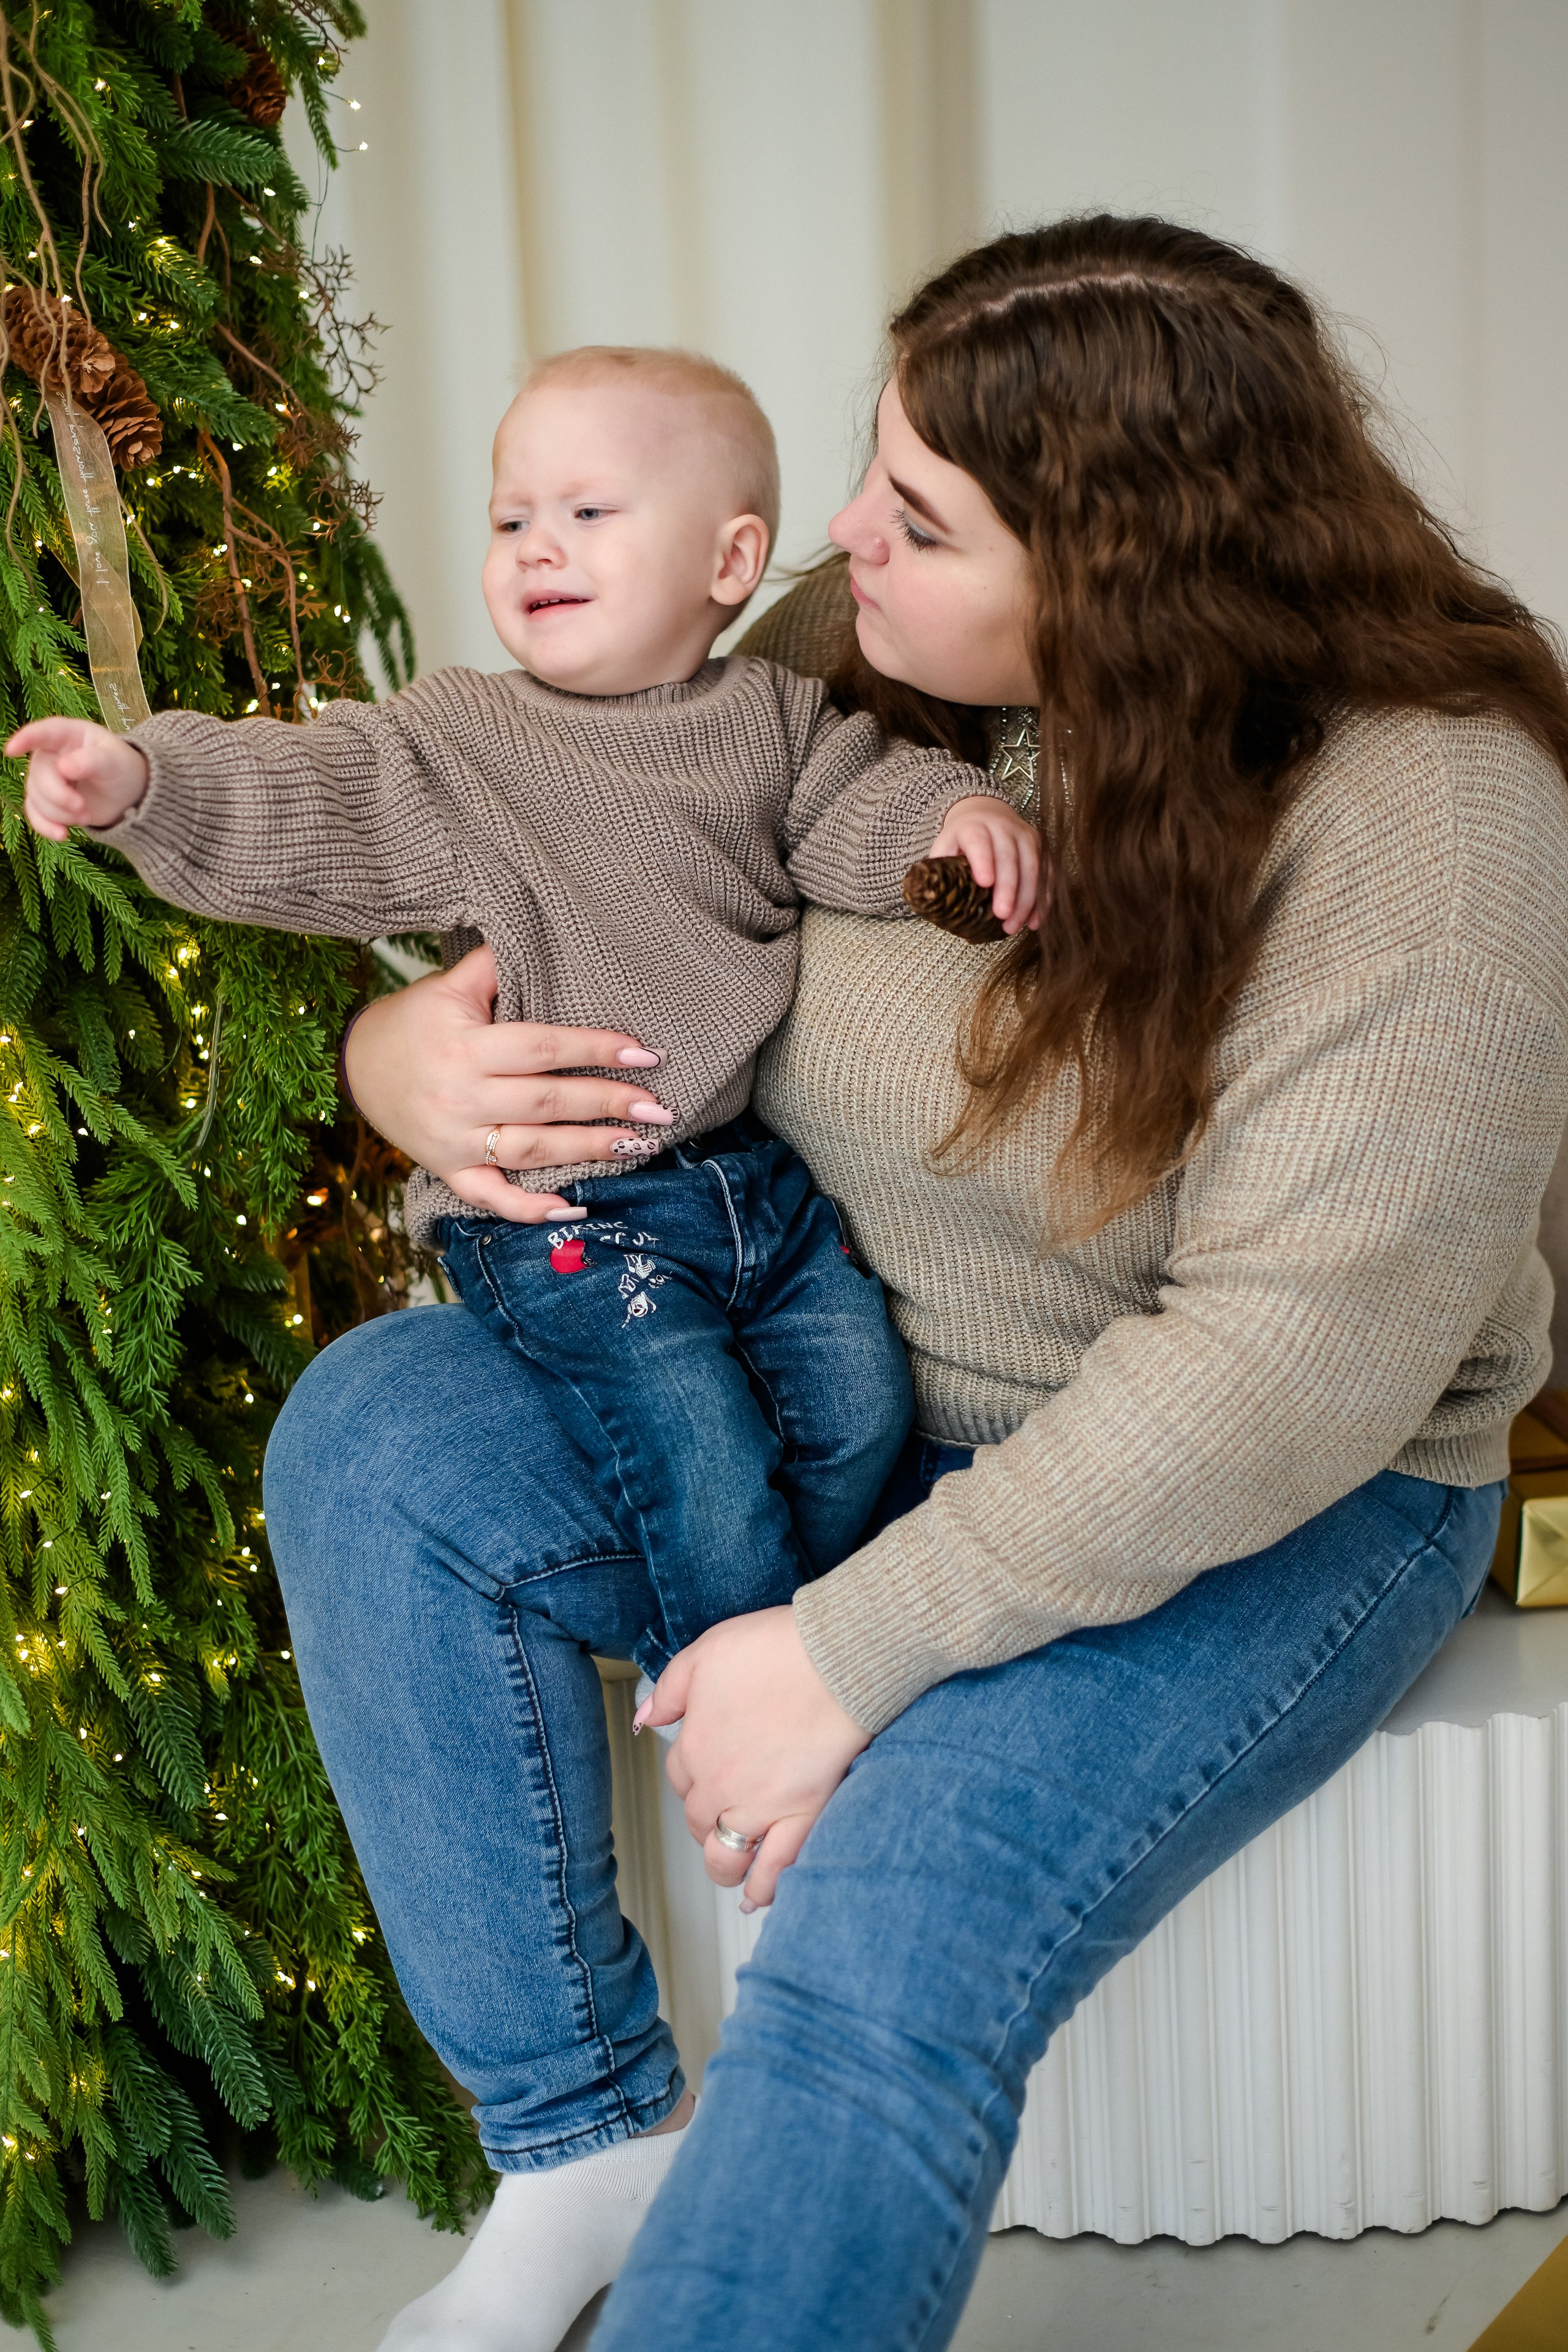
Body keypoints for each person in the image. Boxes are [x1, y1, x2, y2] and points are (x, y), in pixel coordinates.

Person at [265, 214, 1568, 2352]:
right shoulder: (823, 649)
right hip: (830, 1377)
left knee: (890, 1923)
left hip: (1276, 1491)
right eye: (874, 464)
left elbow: (1292, 1363)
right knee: (374, 1437)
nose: (842, 532)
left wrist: (851, 1652)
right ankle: (583, 2138)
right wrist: (402, 1057)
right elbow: (536, 888)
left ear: (1121, 581)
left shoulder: (1424, 809)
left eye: (923, 514)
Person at [13, 341, 1039, 1697]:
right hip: (574, 1208)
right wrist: (147, 782)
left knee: (857, 1405)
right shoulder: (462, 745)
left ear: (729, 565)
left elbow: (862, 804)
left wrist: (953, 822)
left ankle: (806, 1628)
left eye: (587, 514)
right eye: (510, 520)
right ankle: (729, 1692)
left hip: (746, 1187)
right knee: (694, 1447)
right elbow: (318, 793)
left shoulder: (779, 717)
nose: (535, 547)